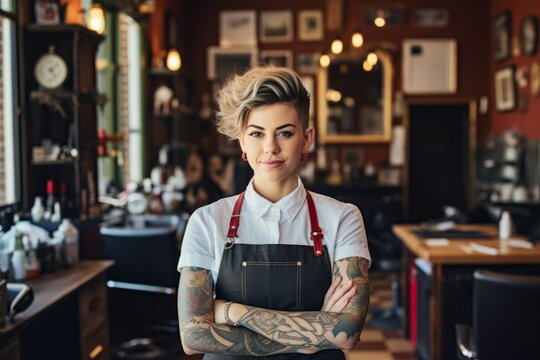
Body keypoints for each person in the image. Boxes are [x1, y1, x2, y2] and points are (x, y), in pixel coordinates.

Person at [177, 66, 371, 359]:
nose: (270, 147)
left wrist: (231, 311)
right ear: (242, 141)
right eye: (256, 133)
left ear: (306, 139)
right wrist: (312, 338)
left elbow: (347, 331)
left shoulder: (342, 217)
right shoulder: (206, 221)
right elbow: (193, 337)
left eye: (285, 133)